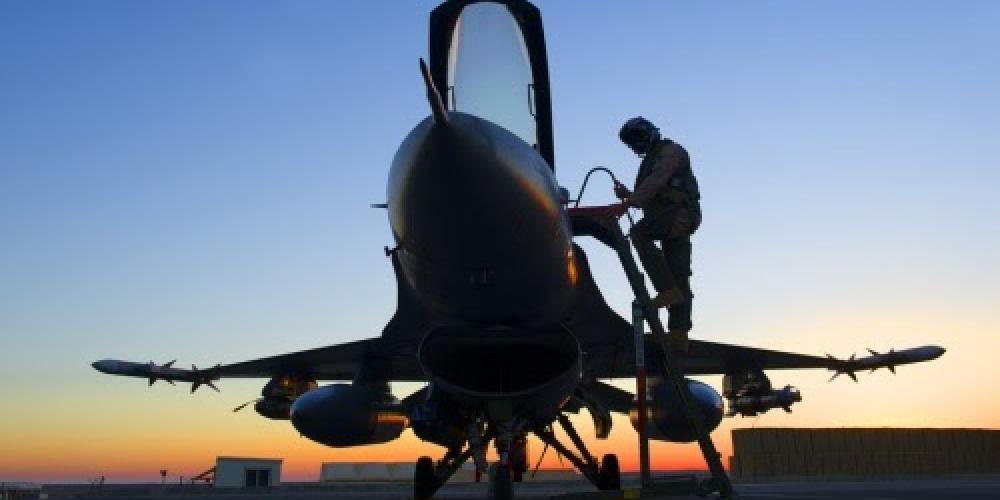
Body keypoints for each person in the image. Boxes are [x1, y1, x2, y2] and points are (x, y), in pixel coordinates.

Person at [614, 116, 701, 350]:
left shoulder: (671, 152)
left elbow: (657, 180)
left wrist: (630, 200)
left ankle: (666, 291)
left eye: (636, 141)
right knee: (679, 273)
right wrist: (628, 196)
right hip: (670, 217)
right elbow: (650, 195)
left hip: (678, 215)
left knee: (639, 234)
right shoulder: (654, 159)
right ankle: (678, 334)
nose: (635, 147)